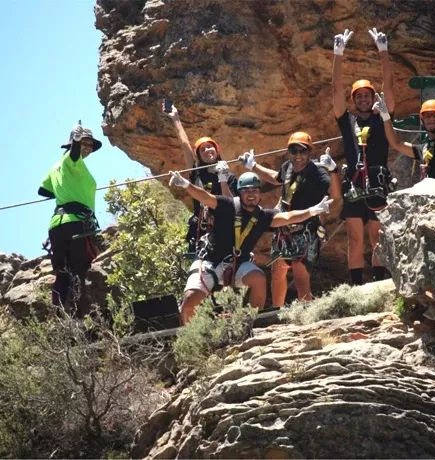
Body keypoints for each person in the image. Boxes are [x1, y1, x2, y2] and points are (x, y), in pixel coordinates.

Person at [167, 170, 332, 324]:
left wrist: (311, 211)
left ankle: (252, 323)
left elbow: (288, 217)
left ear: (260, 193)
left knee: (258, 278)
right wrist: (186, 184)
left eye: (254, 190)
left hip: (238, 264)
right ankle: (188, 336)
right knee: (190, 300)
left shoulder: (264, 216)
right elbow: (205, 197)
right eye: (246, 191)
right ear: (240, 193)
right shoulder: (227, 205)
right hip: (209, 261)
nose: (251, 194)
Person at [238, 132, 341, 307]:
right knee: (277, 272)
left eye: (303, 151)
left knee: (301, 277)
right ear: (289, 152)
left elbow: (336, 195)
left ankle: (306, 314)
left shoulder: (317, 172)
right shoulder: (288, 167)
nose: (298, 156)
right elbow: (275, 178)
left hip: (305, 231)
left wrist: (333, 170)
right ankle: (276, 311)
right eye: (294, 151)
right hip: (284, 230)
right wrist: (253, 166)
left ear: (309, 152)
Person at [332, 28, 396, 285]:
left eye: (367, 96)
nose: (363, 99)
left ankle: (379, 282)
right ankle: (357, 286)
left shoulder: (383, 117)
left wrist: (383, 51)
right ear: (354, 100)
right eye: (359, 97)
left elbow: (389, 86)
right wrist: (338, 54)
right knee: (354, 237)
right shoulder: (347, 121)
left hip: (378, 182)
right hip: (354, 182)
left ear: (372, 98)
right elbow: (335, 91)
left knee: (377, 235)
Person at [38, 123, 102, 314]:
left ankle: (59, 315)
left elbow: (43, 190)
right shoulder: (71, 160)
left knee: (63, 273)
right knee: (80, 269)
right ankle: (79, 315)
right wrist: (76, 140)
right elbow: (73, 154)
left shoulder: (57, 167)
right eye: (85, 143)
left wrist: (64, 191)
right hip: (75, 223)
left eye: (91, 145)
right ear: (74, 143)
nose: (88, 148)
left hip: (57, 225)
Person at [379, 56, 435, 181]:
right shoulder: (423, 149)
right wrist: (386, 118)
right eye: (427, 116)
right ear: (422, 121)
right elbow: (396, 144)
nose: (431, 119)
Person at [164, 102, 237, 253]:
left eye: (210, 147)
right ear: (199, 156)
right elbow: (185, 145)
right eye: (202, 150)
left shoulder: (229, 177)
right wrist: (176, 119)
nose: (207, 150)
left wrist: (222, 177)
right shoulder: (197, 173)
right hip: (200, 229)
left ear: (217, 150)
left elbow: (231, 204)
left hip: (222, 228)